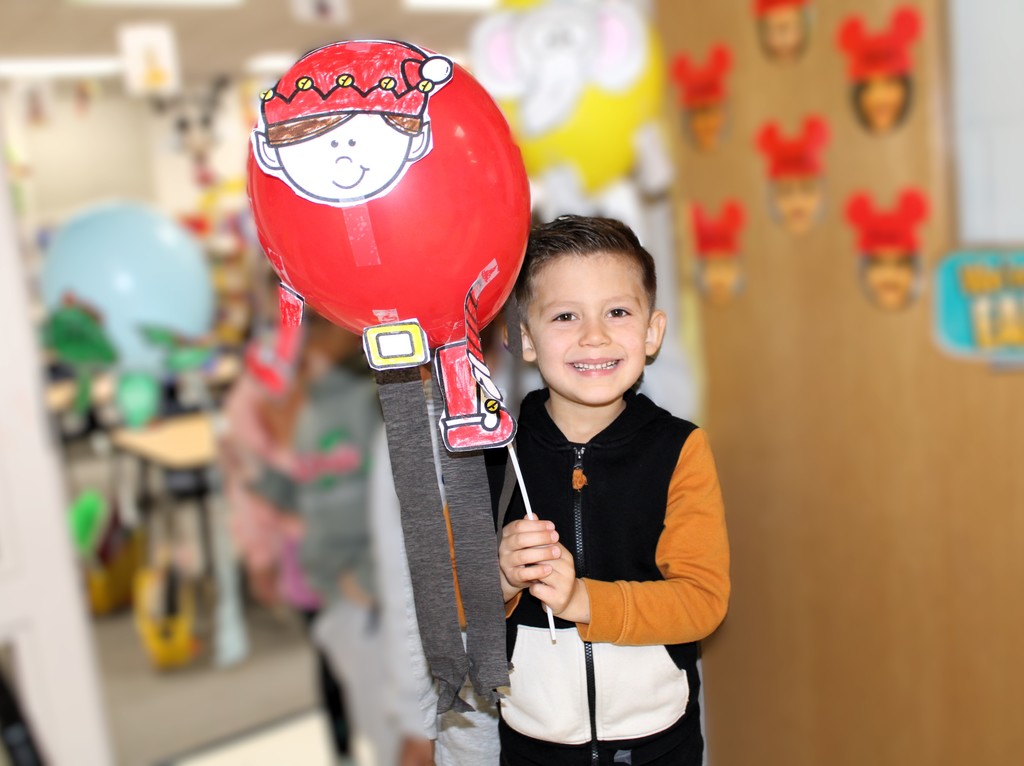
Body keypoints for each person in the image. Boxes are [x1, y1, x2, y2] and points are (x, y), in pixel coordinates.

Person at [495, 215, 730, 765]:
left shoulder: (681, 451)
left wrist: (585, 601)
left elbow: (702, 601)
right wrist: (499, 577)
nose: (594, 335)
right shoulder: (494, 454)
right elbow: (452, 606)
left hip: (658, 743)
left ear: (652, 333)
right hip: (533, 744)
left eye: (617, 312)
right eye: (565, 315)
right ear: (525, 338)